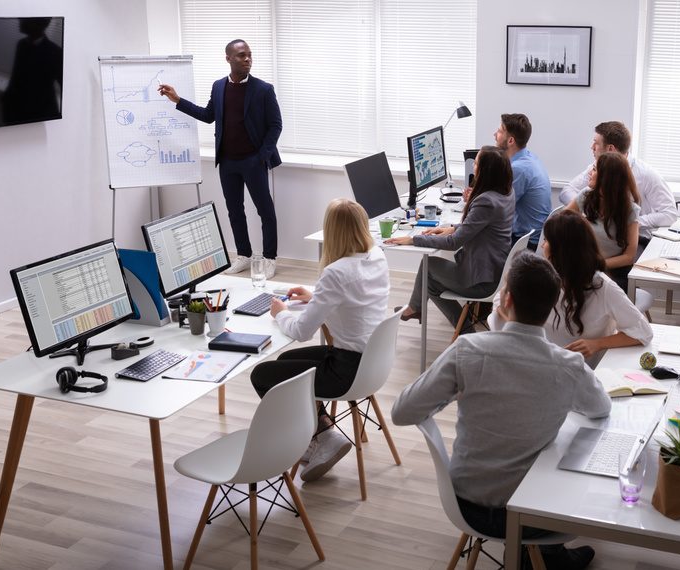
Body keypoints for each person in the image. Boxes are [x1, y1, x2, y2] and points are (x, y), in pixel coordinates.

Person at [392, 251, 610, 570]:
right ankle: (545, 556)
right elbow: (600, 408)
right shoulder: (568, 366)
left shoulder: (467, 350)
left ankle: (539, 557)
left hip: (467, 504)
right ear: (552, 309)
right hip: (536, 516)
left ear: (505, 300)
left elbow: (401, 412)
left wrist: (446, 395)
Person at [249, 199, 389, 482]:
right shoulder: (377, 256)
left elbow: (301, 332)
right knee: (285, 362)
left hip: (346, 372)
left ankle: (314, 438)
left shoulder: (335, 273)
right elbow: (356, 300)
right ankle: (323, 431)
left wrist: (280, 313)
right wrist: (317, 299)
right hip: (372, 361)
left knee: (263, 374)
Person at [158, 39, 282, 279]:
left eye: (249, 55)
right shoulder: (218, 87)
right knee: (235, 211)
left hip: (253, 161)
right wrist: (178, 100)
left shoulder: (263, 89)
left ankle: (269, 258)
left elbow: (275, 125)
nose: (247, 59)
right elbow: (207, 116)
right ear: (228, 59)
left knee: (265, 210)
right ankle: (244, 255)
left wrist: (262, 157)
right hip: (227, 162)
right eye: (241, 55)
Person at [489, 209, 653, 368]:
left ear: (560, 249)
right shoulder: (541, 275)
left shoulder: (602, 287)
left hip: (584, 370)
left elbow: (643, 332)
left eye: (546, 240)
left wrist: (597, 344)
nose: (543, 245)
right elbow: (500, 302)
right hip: (545, 366)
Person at [388, 146, 514, 334]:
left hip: (483, 281)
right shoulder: (506, 193)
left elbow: (454, 243)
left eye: (477, 163)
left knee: (427, 266)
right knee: (429, 282)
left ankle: (417, 310)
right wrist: (451, 228)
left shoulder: (485, 201)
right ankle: (459, 329)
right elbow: (479, 226)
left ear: (485, 171)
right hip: (496, 271)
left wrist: (414, 240)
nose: (474, 167)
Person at [559, 121, 677, 247]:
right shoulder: (595, 169)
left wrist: (630, 223)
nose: (592, 147)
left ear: (610, 149)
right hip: (600, 237)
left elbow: (669, 214)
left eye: (596, 143)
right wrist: (586, 208)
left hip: (634, 240)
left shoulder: (647, 175)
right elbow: (567, 191)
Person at [565, 152, 641, 291]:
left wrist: (596, 265)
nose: (590, 172)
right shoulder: (586, 195)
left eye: (594, 169)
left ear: (606, 178)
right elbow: (561, 221)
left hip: (614, 273)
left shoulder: (630, 210)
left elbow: (629, 257)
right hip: (586, 269)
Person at [494, 113, 551, 250]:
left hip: (526, 242)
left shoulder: (518, 168)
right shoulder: (529, 157)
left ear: (511, 141)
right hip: (534, 236)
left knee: (476, 242)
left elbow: (498, 209)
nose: (494, 134)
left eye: (500, 131)